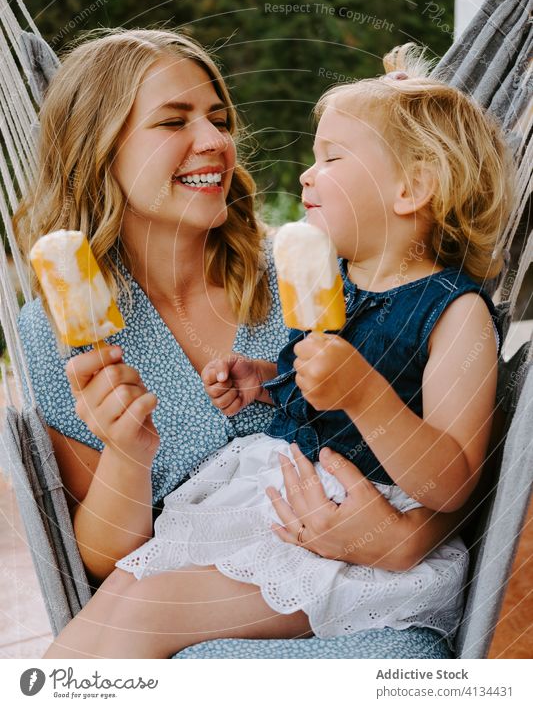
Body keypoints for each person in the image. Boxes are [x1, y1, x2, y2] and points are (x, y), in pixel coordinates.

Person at [40, 42, 514, 659]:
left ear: (412, 188)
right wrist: (267, 383)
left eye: (332, 158)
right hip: (267, 509)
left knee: (148, 609)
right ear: (98, 149)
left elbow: (461, 476)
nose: (305, 174)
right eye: (173, 119)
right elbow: (102, 561)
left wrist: (400, 515)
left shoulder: (432, 304)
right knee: (125, 594)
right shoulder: (336, 278)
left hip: (349, 542)